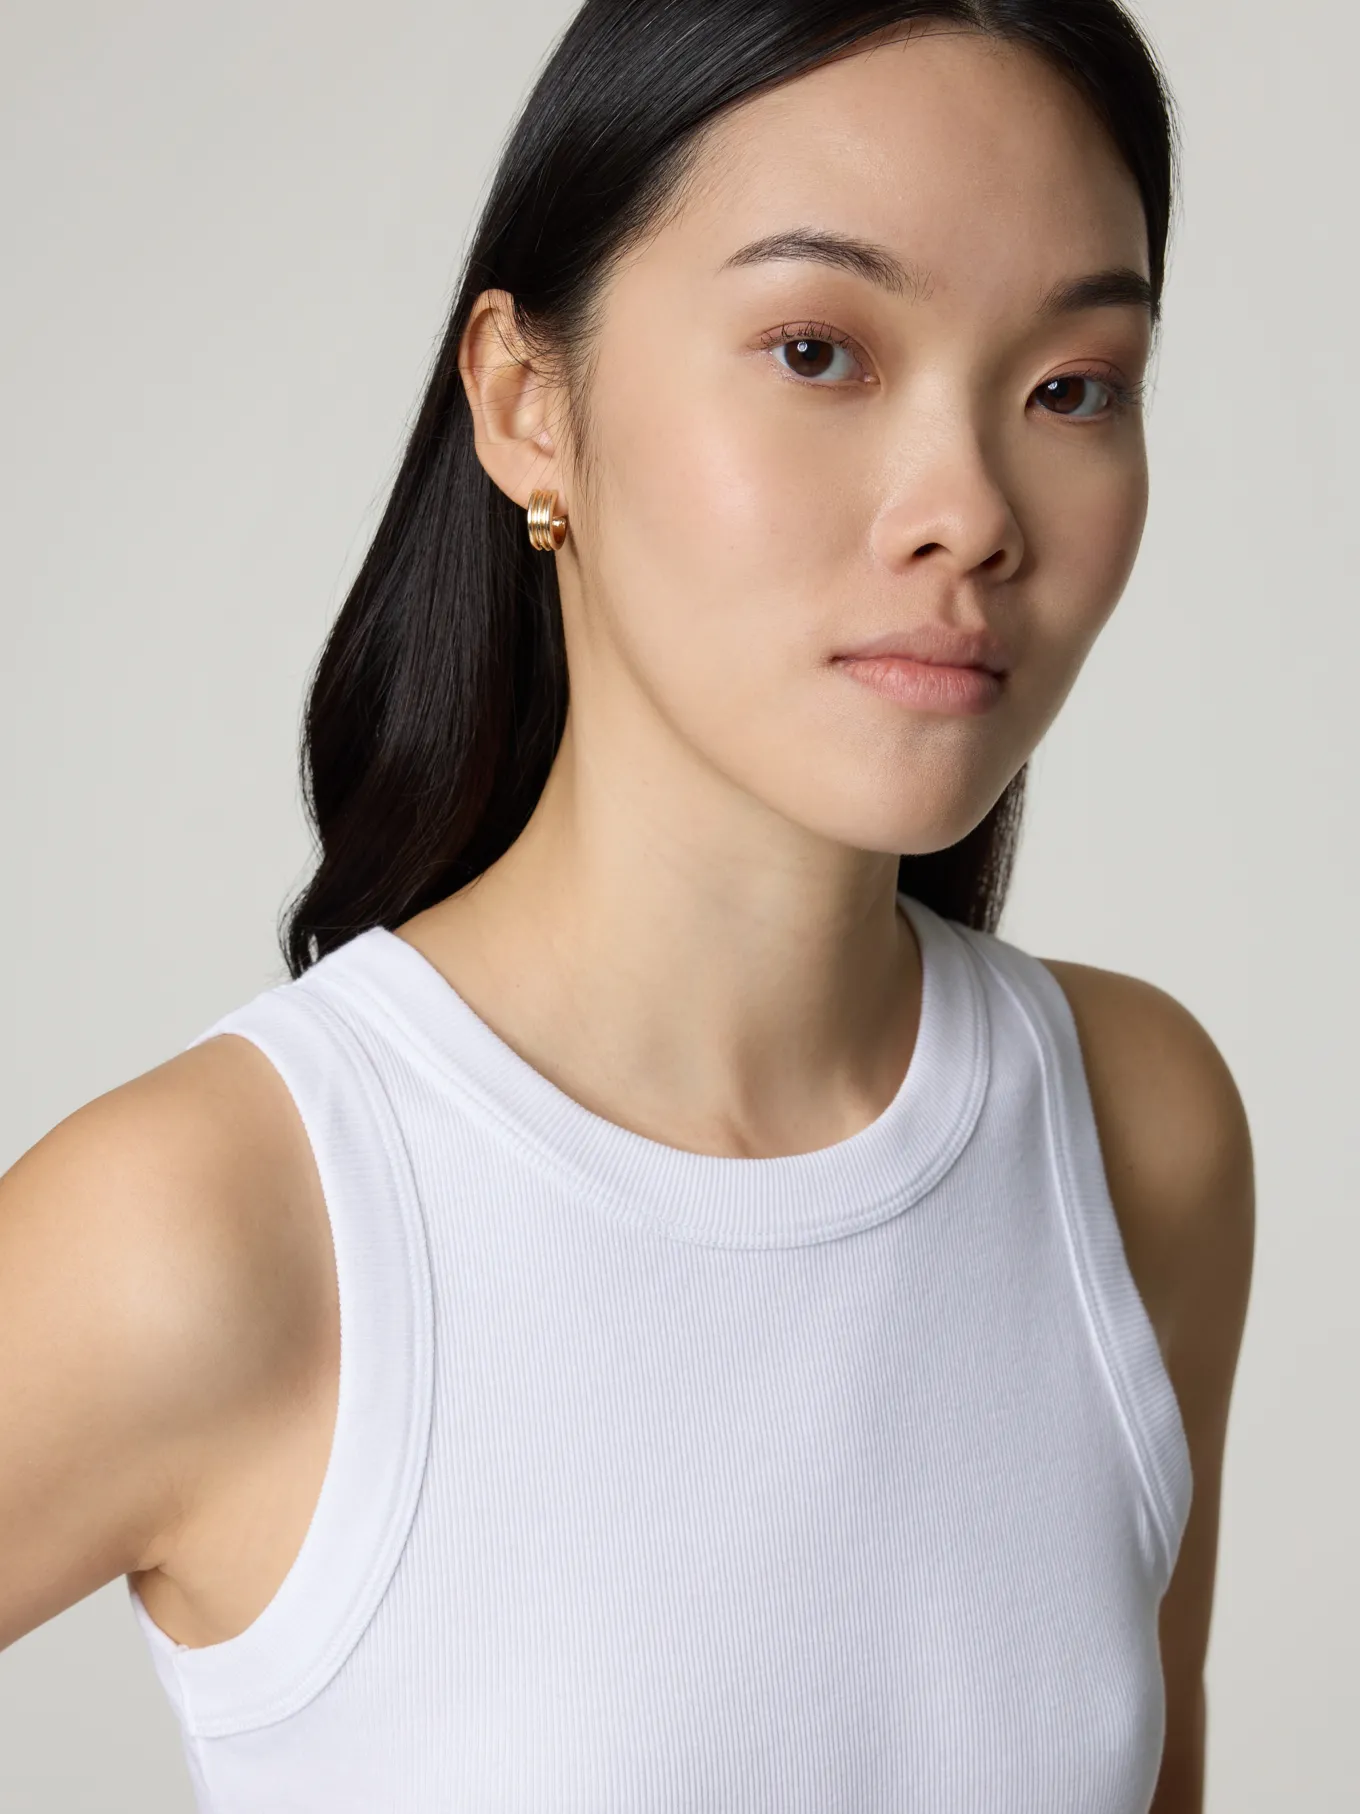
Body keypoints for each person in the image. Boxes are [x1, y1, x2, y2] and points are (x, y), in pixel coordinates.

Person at [0, 2, 1254, 1810]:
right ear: (529, 405)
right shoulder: (226, 1224)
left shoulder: (1137, 1127)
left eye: (1074, 386)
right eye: (820, 350)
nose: (971, 512)